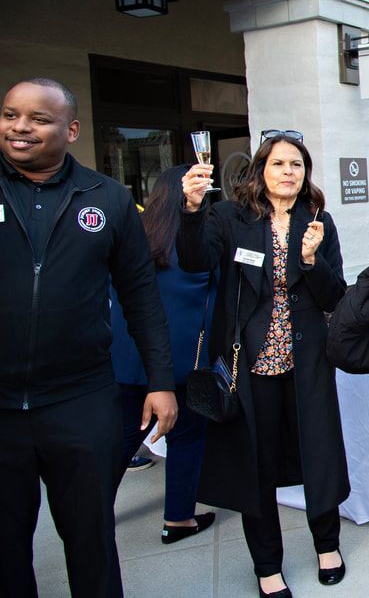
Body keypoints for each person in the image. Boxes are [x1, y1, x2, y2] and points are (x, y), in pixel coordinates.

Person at [0, 78, 177, 597]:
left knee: (90, 538)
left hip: (80, 400)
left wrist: (160, 381)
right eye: (11, 115)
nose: (20, 128)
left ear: (71, 129)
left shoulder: (109, 198)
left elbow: (141, 297)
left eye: (38, 119)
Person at [178, 130, 348, 597]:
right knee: (254, 464)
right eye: (279, 164)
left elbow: (335, 295)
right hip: (247, 365)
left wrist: (311, 260)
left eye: (297, 165)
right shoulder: (230, 217)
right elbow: (195, 261)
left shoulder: (319, 221)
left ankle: (327, 544)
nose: (288, 172)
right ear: (261, 170)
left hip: (305, 360)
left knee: (318, 452)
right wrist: (191, 210)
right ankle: (267, 564)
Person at [110, 165, 217, 544]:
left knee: (121, 437)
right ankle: (178, 519)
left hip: (126, 357)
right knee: (186, 436)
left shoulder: (130, 236)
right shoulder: (198, 241)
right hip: (181, 359)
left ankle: (92, 513)